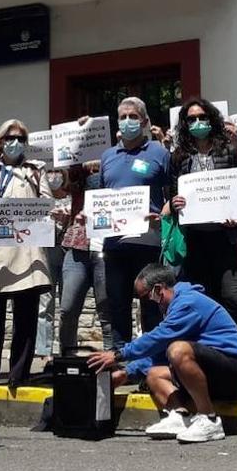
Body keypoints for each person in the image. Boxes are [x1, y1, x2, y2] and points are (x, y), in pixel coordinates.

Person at [88, 264, 237, 443]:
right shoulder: (175, 305)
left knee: (178, 350)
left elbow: (159, 338)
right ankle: (179, 416)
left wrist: (118, 355)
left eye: (144, 297)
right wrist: (127, 373)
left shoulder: (188, 302)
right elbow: (159, 350)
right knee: (153, 374)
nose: (144, 303)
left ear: (158, 289)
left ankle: (209, 419)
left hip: (234, 368)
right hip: (210, 371)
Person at [0, 119, 54, 389]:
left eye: (19, 138)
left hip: (28, 251)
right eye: (9, 137)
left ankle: (20, 374)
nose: (14, 142)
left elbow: (46, 204)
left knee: (26, 319)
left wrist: (56, 212)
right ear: (0, 141)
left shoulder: (36, 171)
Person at [169, 98, 237, 339]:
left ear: (211, 119)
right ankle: (211, 352)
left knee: (235, 298)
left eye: (202, 117)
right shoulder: (179, 156)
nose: (198, 122)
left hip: (224, 238)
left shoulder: (228, 150)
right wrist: (176, 204)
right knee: (204, 299)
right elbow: (174, 194)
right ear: (185, 124)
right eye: (192, 119)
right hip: (195, 240)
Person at [98, 97, 171, 348]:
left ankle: (149, 359)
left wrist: (163, 213)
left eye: (133, 116)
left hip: (147, 241)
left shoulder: (159, 153)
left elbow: (172, 194)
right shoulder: (107, 156)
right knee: (117, 303)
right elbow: (101, 196)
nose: (128, 121)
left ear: (144, 121)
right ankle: (120, 359)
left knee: (150, 303)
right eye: (123, 116)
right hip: (114, 243)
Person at [55, 160, 114, 354]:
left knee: (106, 309)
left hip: (106, 244)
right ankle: (67, 356)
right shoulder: (76, 169)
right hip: (77, 245)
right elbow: (63, 186)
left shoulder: (115, 161)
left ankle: (112, 358)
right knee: (68, 308)